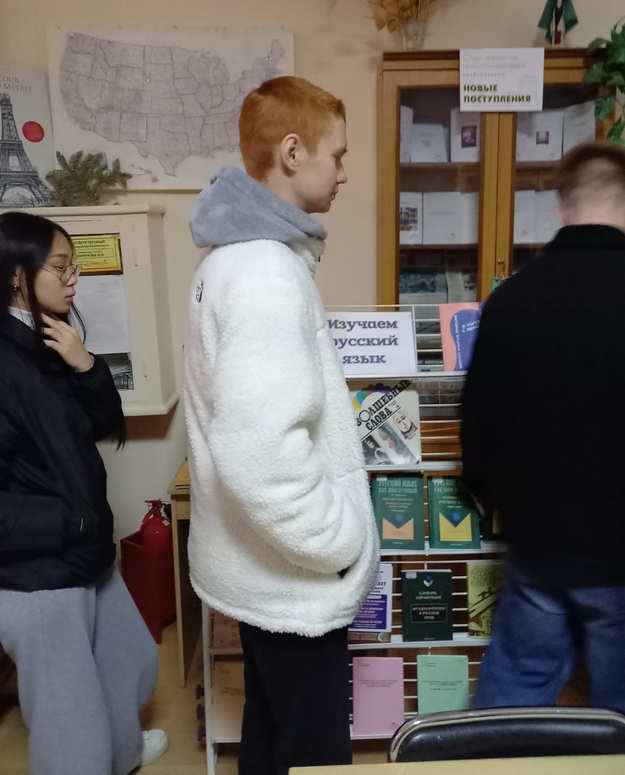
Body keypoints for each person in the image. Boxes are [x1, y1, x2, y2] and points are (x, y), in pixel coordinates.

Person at [184, 76, 379, 775]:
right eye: (338, 155)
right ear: (293, 153)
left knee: (268, 732)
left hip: (262, 569)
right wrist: (337, 542)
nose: (344, 172)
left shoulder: (233, 260)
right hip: (292, 577)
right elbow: (260, 451)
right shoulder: (265, 272)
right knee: (313, 752)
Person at [0, 211, 168, 775]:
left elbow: (100, 425)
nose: (74, 279)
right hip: (37, 576)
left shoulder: (48, 337)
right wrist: (71, 522)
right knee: (71, 731)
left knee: (132, 666)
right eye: (61, 267)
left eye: (73, 266)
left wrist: (86, 365)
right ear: (17, 275)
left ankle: (122, 755)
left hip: (84, 554)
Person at [461, 141, 625, 713]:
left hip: (537, 545)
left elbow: (477, 425)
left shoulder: (511, 299)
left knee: (513, 696)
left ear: (561, 205)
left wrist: (495, 497)